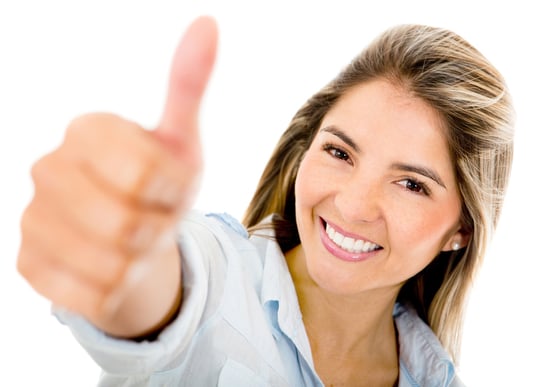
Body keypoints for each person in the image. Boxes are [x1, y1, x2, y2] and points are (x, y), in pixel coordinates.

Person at [17, 14, 514, 387]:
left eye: (411, 184)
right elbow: (161, 294)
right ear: (306, 149)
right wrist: (126, 251)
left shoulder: (434, 376)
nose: (354, 205)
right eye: (339, 152)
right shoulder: (219, 277)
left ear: (460, 231)